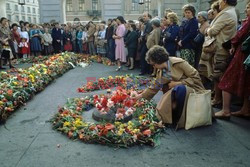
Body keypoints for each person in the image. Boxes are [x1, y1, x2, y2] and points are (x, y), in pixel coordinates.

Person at [135, 45, 205, 128]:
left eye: (153, 64)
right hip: (176, 93)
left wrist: (178, 83)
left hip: (193, 90)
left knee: (179, 89)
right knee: (174, 92)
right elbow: (154, 87)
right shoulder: (161, 70)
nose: (153, 67)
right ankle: (173, 117)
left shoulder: (179, 63)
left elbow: (196, 78)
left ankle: (178, 118)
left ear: (158, 61)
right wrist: (141, 97)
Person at [215, 2, 250, 119]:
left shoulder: (244, 19)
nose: (246, 10)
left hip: (243, 54)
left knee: (227, 79)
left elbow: (239, 35)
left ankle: (225, 110)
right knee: (247, 83)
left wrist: (233, 44)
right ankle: (245, 109)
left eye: (248, 7)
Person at [205, 0, 237, 106]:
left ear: (225, 1)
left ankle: (217, 99)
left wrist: (207, 30)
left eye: (220, 1)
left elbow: (213, 31)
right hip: (223, 47)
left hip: (221, 48)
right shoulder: (231, 11)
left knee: (218, 75)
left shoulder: (226, 13)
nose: (219, 4)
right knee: (219, 74)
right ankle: (216, 96)